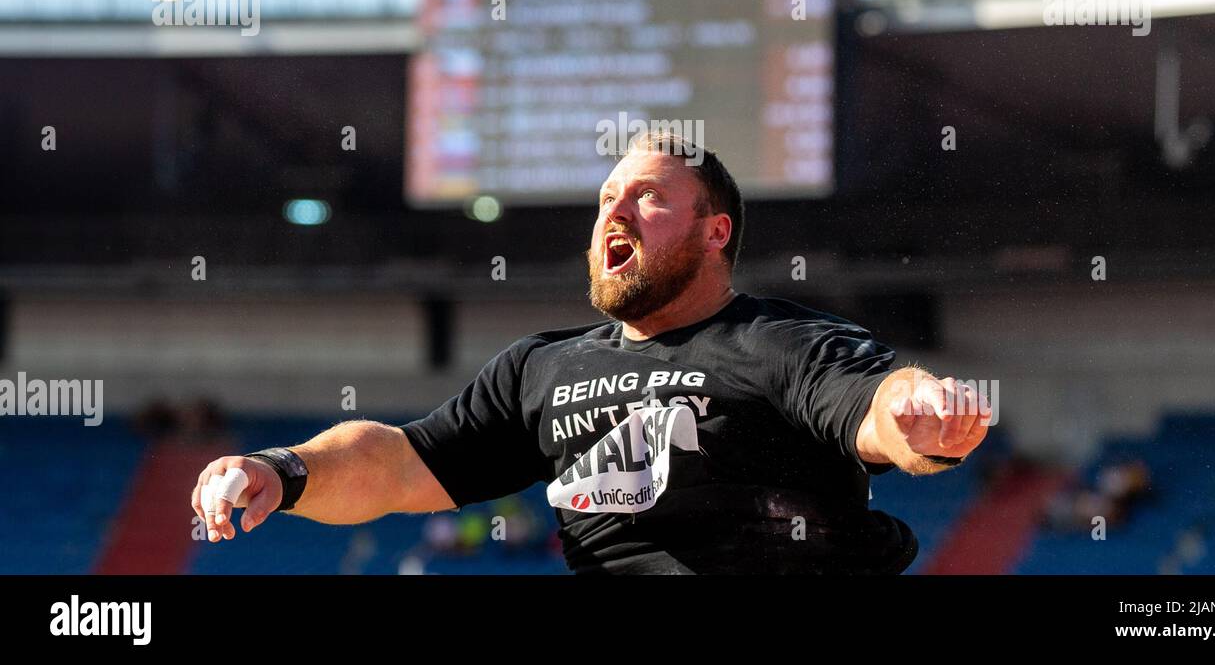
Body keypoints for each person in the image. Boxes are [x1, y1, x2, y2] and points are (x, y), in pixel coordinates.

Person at [191, 131, 992, 574]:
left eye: (648, 196)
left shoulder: (778, 341)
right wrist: (283, 469)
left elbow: (876, 402)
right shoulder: (540, 368)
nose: (618, 210)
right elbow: (400, 464)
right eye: (608, 196)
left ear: (716, 233)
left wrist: (918, 420)